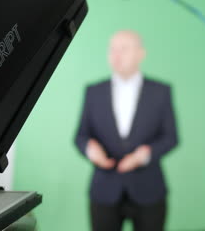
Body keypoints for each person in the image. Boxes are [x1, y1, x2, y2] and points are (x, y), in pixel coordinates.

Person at [75, 30, 178, 231]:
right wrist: (90, 149)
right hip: (104, 189)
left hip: (149, 189)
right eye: (112, 49)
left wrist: (145, 154)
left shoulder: (160, 91)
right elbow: (80, 136)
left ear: (141, 54)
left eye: (124, 49)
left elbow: (171, 137)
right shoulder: (93, 91)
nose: (116, 55)